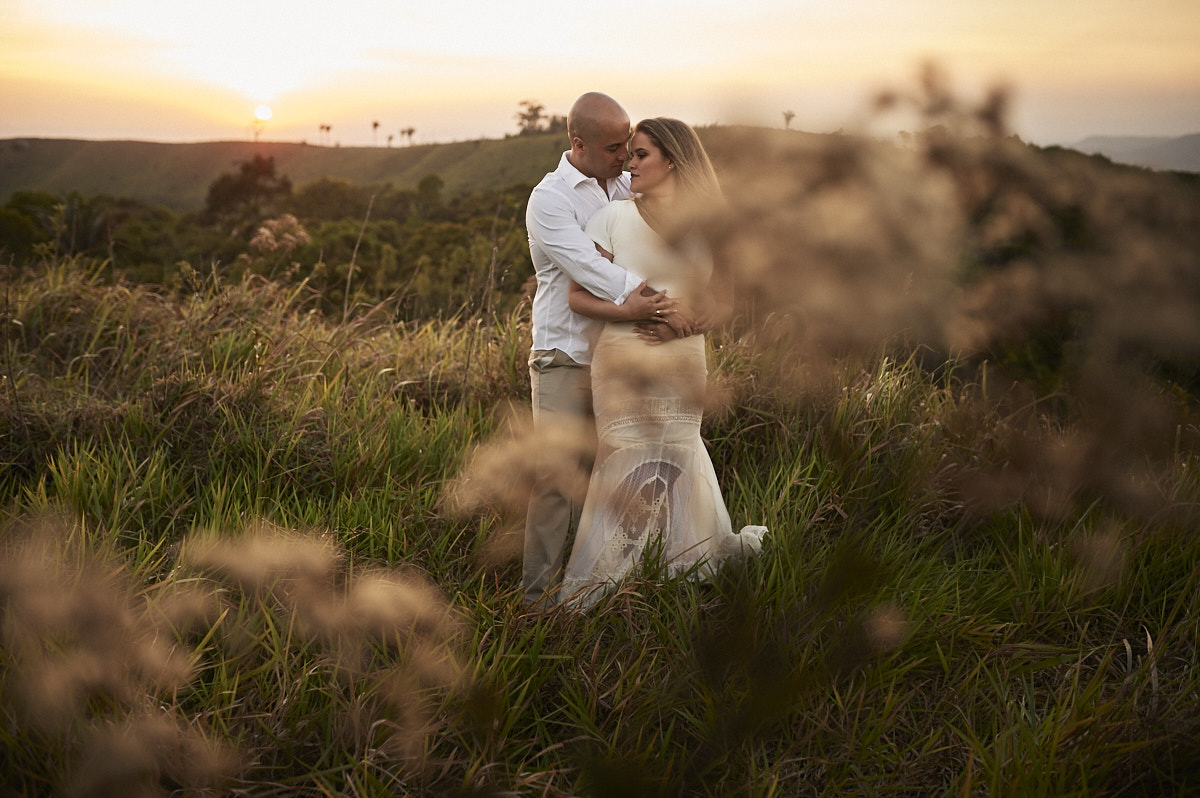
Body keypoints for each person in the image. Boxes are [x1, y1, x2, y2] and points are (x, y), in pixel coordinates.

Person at [557, 117, 768, 608]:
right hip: (622, 359)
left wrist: (684, 324)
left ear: (672, 159)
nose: (629, 165)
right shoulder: (611, 218)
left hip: (683, 360)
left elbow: (724, 305)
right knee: (625, 458)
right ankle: (609, 583)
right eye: (629, 155)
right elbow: (578, 297)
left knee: (678, 456)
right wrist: (634, 310)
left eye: (641, 155)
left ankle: (679, 571)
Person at [523, 93, 694, 607]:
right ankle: (535, 602)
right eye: (616, 147)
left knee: (616, 475)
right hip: (565, 356)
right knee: (557, 479)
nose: (626, 156)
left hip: (620, 359)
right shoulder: (550, 199)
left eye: (630, 146)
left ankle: (606, 587)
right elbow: (592, 271)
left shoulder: (625, 185)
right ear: (579, 144)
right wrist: (667, 303)